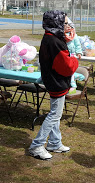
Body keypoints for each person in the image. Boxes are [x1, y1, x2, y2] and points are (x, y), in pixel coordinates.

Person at [29, 10, 79, 160]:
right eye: (64, 23)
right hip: (56, 81)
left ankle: (54, 143)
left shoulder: (50, 37)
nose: (67, 26)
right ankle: (37, 145)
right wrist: (75, 58)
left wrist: (67, 42)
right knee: (54, 115)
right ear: (55, 23)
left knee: (55, 114)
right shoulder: (54, 41)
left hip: (53, 80)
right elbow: (66, 66)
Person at [65, 17, 82, 93]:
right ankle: (65, 85)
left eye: (70, 26)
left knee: (71, 71)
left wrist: (79, 52)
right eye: (67, 26)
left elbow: (78, 45)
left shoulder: (74, 35)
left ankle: (73, 86)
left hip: (72, 55)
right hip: (64, 55)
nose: (69, 28)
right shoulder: (62, 35)